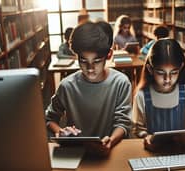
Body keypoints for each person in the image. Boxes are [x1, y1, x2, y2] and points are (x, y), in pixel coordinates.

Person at [46, 22, 132, 156]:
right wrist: (59, 132)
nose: (90, 68)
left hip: (111, 151)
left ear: (109, 55)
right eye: (83, 61)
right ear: (76, 56)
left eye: (97, 61)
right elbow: (49, 118)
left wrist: (111, 141)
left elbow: (123, 123)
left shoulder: (121, 83)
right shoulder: (67, 86)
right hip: (76, 153)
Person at [132, 38, 185, 151]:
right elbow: (137, 130)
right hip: (153, 153)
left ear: (181, 68)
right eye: (160, 72)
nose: (167, 79)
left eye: (174, 72)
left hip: (181, 154)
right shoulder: (142, 96)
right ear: (150, 69)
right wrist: (146, 137)